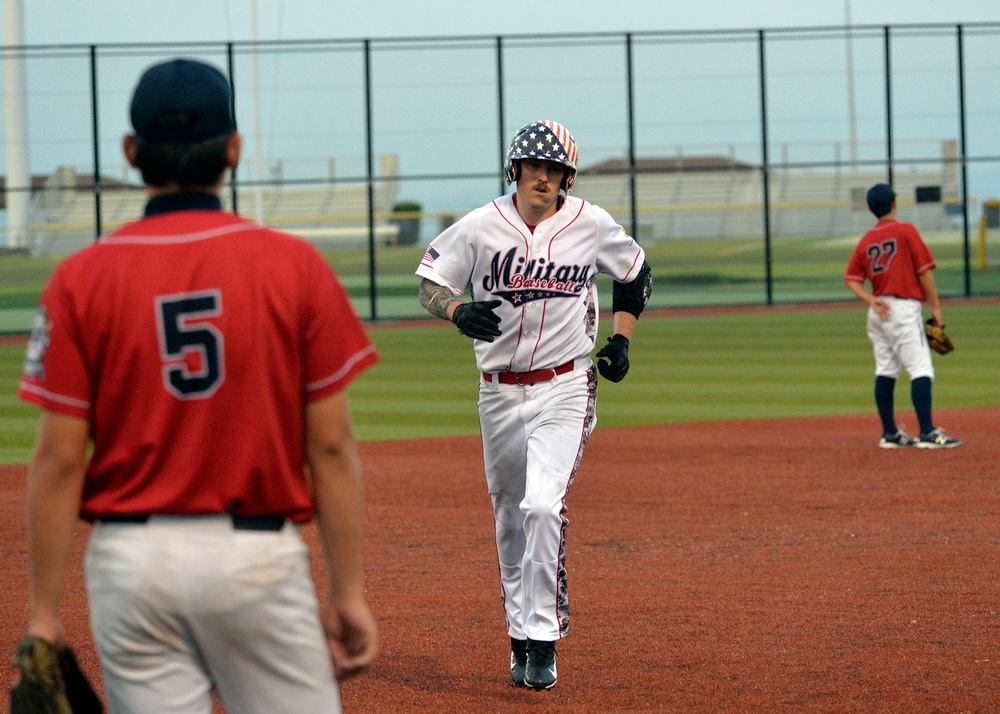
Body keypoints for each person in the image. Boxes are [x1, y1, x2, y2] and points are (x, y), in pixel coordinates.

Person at [17, 58, 380, 713]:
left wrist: (43, 612)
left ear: (131, 152)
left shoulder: (80, 279)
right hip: (256, 563)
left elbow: (59, 458)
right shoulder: (294, 266)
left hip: (131, 566)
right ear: (234, 151)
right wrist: (347, 590)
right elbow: (329, 448)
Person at [415, 120, 652, 691]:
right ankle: (518, 635)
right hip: (497, 389)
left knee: (543, 505)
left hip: (566, 384)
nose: (543, 177)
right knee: (509, 518)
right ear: (515, 169)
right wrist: (455, 312)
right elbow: (429, 283)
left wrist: (621, 339)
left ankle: (543, 640)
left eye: (554, 170)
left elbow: (636, 271)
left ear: (566, 177)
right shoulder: (480, 225)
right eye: (534, 166)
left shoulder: (589, 222)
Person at [844, 182, 962, 449]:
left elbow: (851, 279)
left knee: (886, 370)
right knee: (921, 369)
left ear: (872, 209)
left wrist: (870, 298)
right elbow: (924, 271)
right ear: (894, 203)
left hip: (878, 311)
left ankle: (890, 434)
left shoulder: (866, 240)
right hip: (903, 309)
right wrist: (935, 306)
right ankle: (928, 433)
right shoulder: (906, 230)